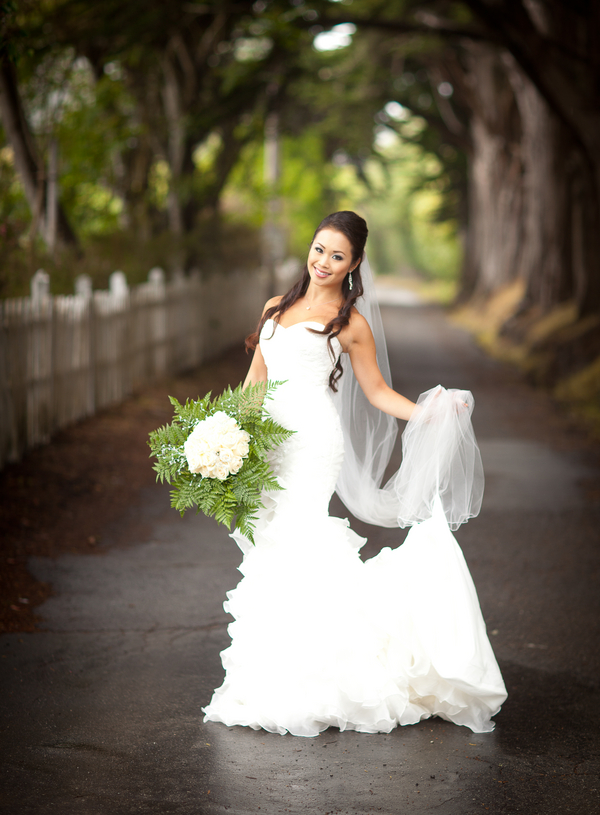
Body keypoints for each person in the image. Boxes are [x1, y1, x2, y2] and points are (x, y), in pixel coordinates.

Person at [203, 210, 507, 737]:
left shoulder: (351, 325)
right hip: (266, 445)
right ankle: (273, 673)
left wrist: (433, 413)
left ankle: (320, 680)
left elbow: (377, 393)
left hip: (313, 445)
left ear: (355, 264)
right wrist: (225, 434)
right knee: (270, 547)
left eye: (337, 256)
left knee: (300, 543)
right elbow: (255, 381)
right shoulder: (275, 308)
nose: (323, 262)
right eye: (319, 249)